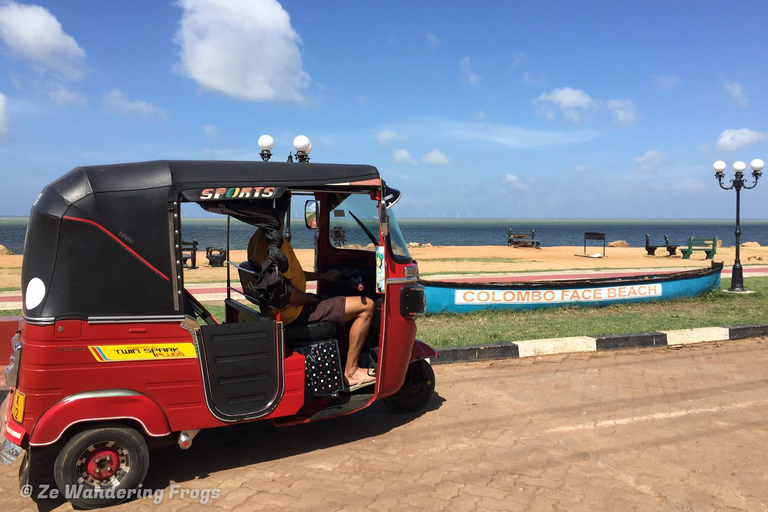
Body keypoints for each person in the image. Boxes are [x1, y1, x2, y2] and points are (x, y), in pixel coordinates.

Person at [248, 194, 376, 391]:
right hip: (292, 311)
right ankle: (351, 371)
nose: (283, 216)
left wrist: (323, 277)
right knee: (366, 306)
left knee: (331, 300)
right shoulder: (275, 244)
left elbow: (289, 277)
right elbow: (289, 295)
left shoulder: (257, 239)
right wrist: (313, 299)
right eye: (282, 211)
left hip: (278, 309)